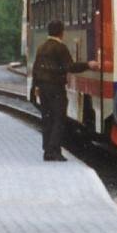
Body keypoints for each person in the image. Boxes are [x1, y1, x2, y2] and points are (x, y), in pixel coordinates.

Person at [31, 20, 87, 161]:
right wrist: (88, 65)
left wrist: (36, 87)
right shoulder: (60, 47)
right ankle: (54, 150)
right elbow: (70, 67)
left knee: (47, 119)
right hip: (56, 88)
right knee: (58, 119)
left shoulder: (41, 47)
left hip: (43, 88)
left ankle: (47, 151)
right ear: (61, 32)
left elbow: (35, 69)